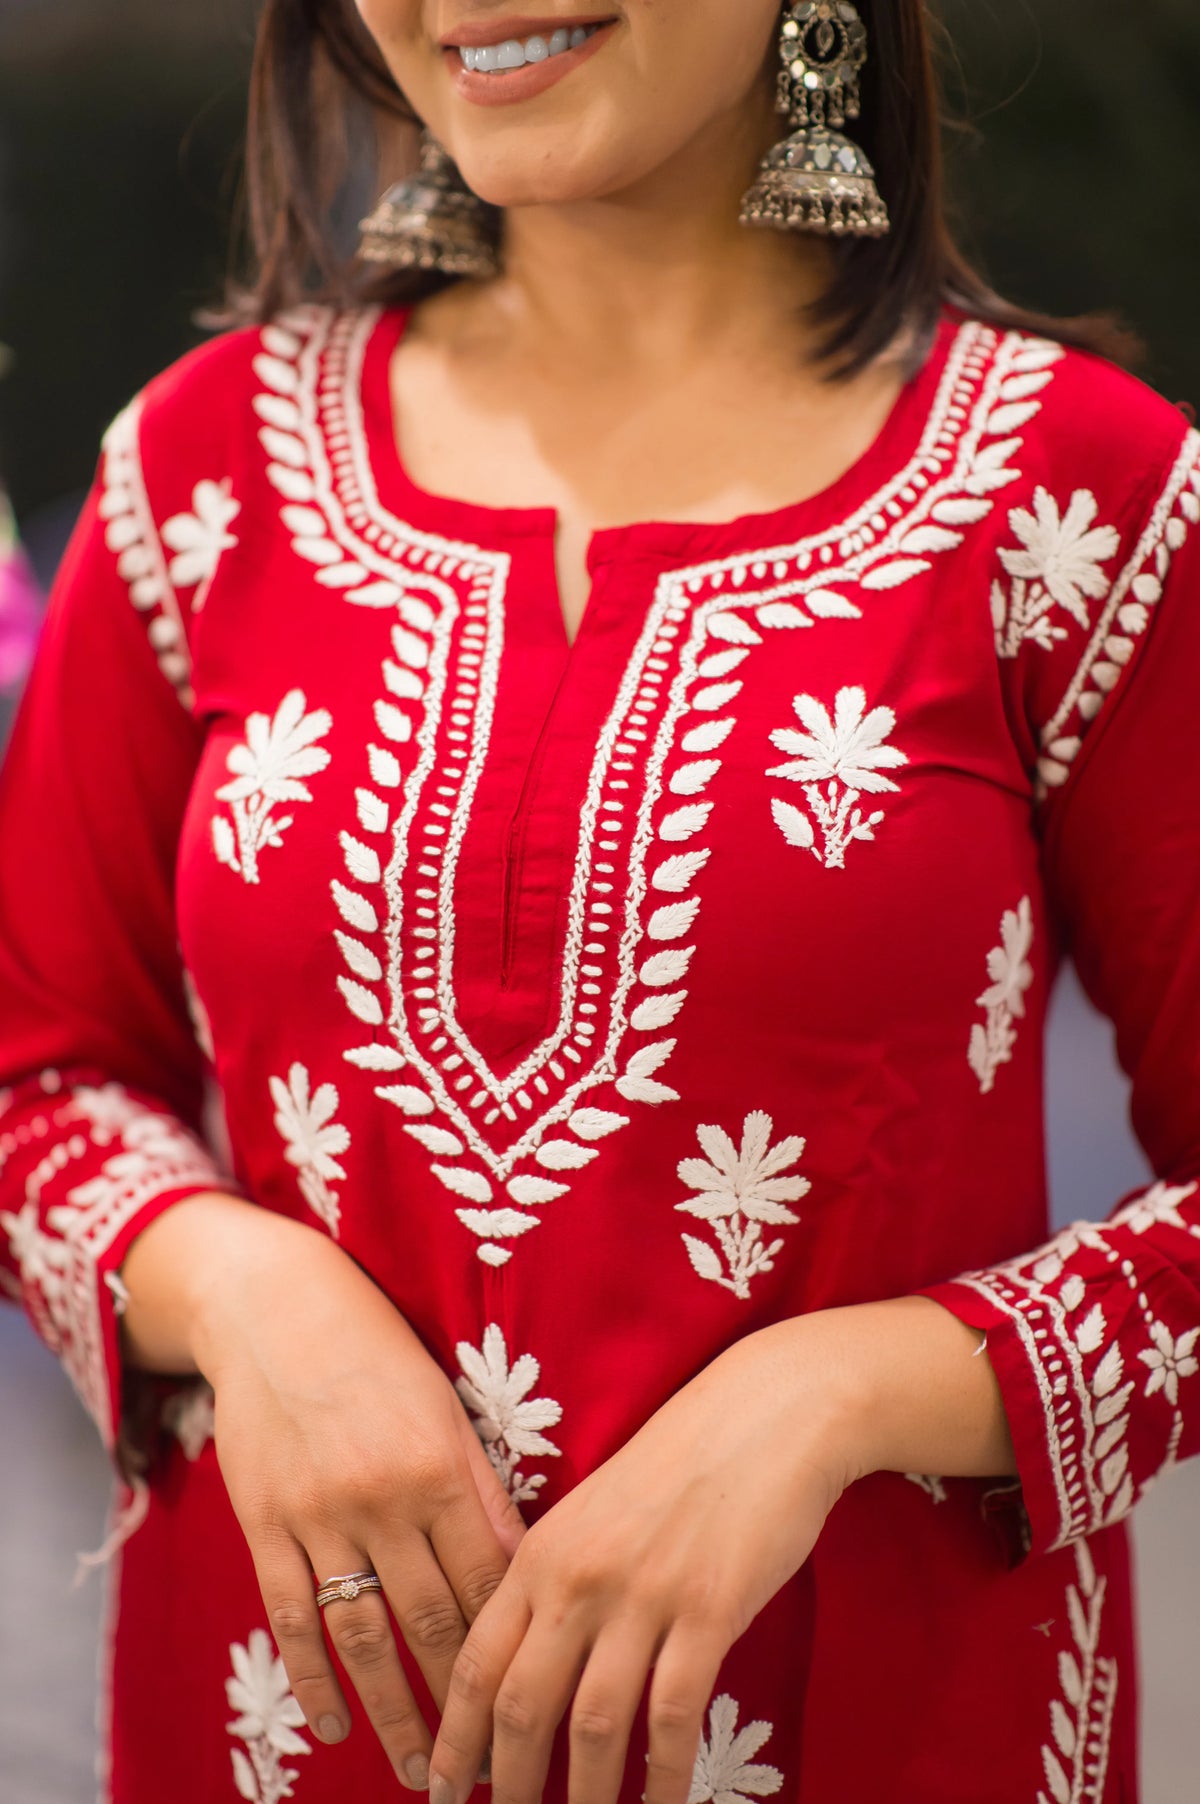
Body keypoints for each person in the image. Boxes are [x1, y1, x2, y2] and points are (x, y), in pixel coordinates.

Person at [2, 2, 1198, 1799]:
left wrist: (842, 1400)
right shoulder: (203, 477)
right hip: (287, 1736)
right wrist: (251, 1295)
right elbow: (34, 1076)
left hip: (876, 1723)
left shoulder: (1073, 499)